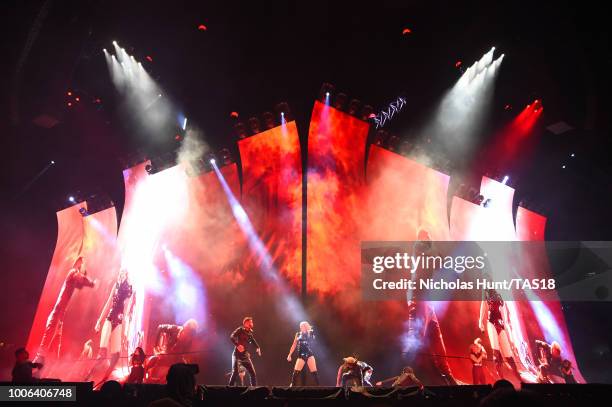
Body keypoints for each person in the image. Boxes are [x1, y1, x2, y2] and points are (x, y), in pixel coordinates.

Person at [404, 229, 458, 385]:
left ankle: (448, 377)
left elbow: (442, 265)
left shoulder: (429, 251)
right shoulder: (419, 247)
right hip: (418, 296)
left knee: (436, 338)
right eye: (427, 236)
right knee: (415, 338)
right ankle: (409, 378)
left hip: (426, 299)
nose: (429, 238)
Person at [34, 256, 94, 363]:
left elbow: (81, 283)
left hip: (60, 312)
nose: (85, 268)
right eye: (83, 264)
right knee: (49, 336)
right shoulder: (73, 272)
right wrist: (92, 283)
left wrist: (89, 281)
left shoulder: (74, 278)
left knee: (56, 340)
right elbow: (82, 279)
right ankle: (39, 360)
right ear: (79, 264)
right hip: (58, 311)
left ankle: (48, 363)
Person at [85, 268, 134, 384]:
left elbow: (127, 309)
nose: (121, 275)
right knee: (102, 353)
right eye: (120, 273)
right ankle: (88, 376)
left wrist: (126, 331)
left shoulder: (128, 289)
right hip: (110, 317)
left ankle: (104, 379)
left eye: (124, 273)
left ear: (127, 276)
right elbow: (108, 303)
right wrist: (99, 320)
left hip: (119, 319)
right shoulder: (116, 286)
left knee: (115, 355)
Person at [479, 289, 521, 381]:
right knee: (496, 353)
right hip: (491, 322)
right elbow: (483, 304)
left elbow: (504, 311)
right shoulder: (486, 291)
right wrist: (480, 321)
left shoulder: (501, 293)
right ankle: (501, 380)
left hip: (501, 324)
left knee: (508, 355)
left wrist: (507, 328)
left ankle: (519, 378)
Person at [228, 317, 261, 386]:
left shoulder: (250, 332)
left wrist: (257, 347)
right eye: (250, 322)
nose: (252, 323)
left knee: (252, 373)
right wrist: (237, 345)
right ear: (246, 323)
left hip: (245, 355)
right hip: (237, 354)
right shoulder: (240, 329)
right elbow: (232, 336)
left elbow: (252, 340)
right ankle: (229, 388)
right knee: (235, 372)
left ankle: (254, 389)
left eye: (252, 322)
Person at [287, 321, 319, 386]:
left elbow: (313, 341)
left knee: (314, 373)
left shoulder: (310, 333)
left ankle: (318, 389)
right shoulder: (298, 334)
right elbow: (294, 345)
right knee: (296, 373)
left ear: (306, 326)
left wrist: (310, 333)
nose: (301, 327)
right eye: (300, 326)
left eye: (303, 326)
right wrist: (289, 354)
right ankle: (292, 387)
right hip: (301, 355)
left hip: (309, 354)